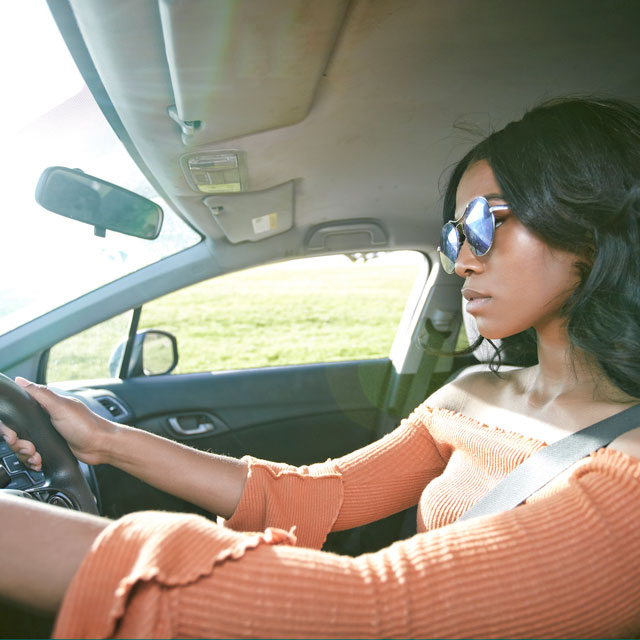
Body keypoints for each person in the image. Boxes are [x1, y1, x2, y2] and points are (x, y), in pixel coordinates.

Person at [1, 96, 640, 638]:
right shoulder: (473, 394)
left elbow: (371, 607)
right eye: (452, 235)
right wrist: (105, 440)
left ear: (589, 221)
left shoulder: (629, 476)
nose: (461, 259)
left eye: (481, 221)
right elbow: (313, 495)